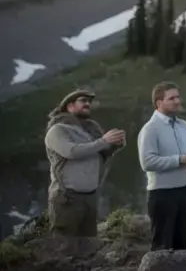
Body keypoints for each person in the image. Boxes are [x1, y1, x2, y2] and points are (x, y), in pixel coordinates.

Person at [44, 90, 125, 244]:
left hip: (90, 196)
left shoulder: (90, 129)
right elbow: (72, 151)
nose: (88, 104)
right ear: (69, 106)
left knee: (88, 246)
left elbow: (99, 153)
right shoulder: (57, 130)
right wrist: (103, 141)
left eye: (89, 101)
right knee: (64, 247)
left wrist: (114, 144)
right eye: (83, 101)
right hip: (67, 198)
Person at [138, 81, 186, 251]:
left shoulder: (184, 126)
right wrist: (179, 160)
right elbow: (147, 162)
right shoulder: (150, 129)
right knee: (162, 246)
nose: (177, 101)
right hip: (162, 194)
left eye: (178, 97)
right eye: (171, 98)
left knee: (181, 243)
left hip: (184, 190)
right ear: (159, 103)